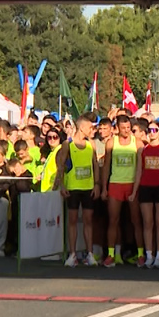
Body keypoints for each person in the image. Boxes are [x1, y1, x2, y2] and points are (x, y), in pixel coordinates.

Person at [54, 114, 101, 267]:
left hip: (88, 187)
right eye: (89, 127)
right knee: (72, 221)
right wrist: (62, 185)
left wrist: (97, 184)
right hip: (73, 187)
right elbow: (60, 166)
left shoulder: (91, 144)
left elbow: (95, 165)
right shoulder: (68, 145)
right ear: (81, 127)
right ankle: (72, 253)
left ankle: (89, 254)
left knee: (88, 220)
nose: (92, 130)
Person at [101, 115, 141, 266]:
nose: (126, 131)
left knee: (136, 221)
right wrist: (104, 187)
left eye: (128, 128)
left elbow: (139, 168)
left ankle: (141, 253)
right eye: (123, 128)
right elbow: (106, 166)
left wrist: (136, 187)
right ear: (117, 128)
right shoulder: (112, 142)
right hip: (115, 183)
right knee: (113, 221)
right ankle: (112, 254)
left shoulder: (137, 143)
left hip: (131, 184)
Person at [133, 122, 159, 268]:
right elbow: (139, 172)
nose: (152, 132)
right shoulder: (142, 149)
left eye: (155, 130)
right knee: (147, 223)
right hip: (145, 187)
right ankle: (149, 254)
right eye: (150, 130)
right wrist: (134, 191)